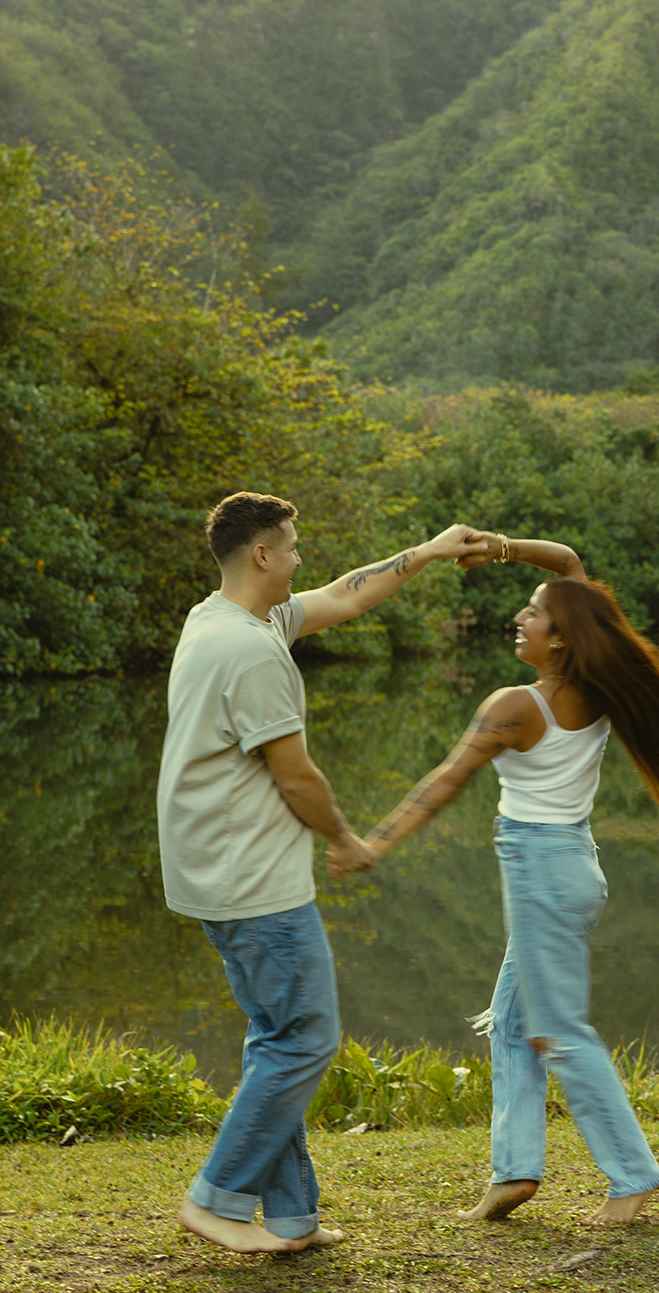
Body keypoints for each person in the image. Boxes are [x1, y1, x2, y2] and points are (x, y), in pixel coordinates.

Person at [331, 533, 659, 1225]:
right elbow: (573, 564)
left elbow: (448, 778)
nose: (519, 618)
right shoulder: (592, 686)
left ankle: (631, 1176)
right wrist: (503, 547)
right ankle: (513, 1171)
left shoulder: (514, 705)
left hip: (541, 871)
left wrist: (374, 842)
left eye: (532, 614)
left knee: (556, 1030)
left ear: (560, 639)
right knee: (515, 1026)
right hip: (574, 869)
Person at [156, 491, 487, 1254]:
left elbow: (347, 593)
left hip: (217, 870)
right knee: (305, 1038)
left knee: (279, 1034)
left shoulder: (226, 619)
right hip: (251, 879)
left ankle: (293, 1212)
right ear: (263, 554)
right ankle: (216, 1198)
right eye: (294, 546)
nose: (303, 558)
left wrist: (430, 551)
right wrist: (345, 839)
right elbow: (296, 776)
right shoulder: (247, 650)